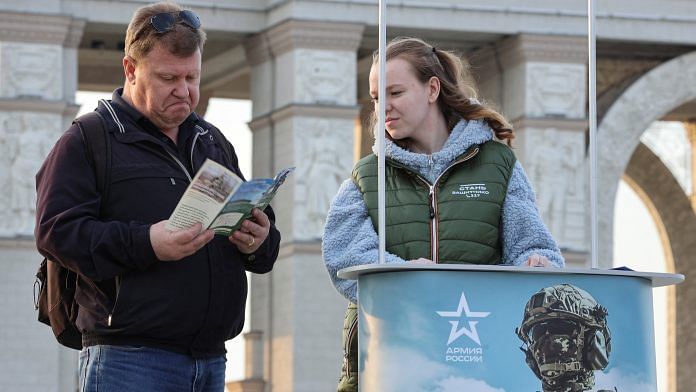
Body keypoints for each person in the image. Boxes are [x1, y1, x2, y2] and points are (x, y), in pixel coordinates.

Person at [35, 3, 281, 391]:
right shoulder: (87, 140)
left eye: (193, 77)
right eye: (169, 78)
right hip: (127, 362)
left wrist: (261, 241)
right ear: (131, 69)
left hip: (212, 360)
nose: (185, 92)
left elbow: (260, 250)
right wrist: (148, 242)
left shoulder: (212, 142)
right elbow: (56, 233)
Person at [322, 37, 565, 392]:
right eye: (376, 98)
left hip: (481, 364)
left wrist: (536, 264)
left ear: (432, 88)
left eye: (395, 92)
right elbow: (344, 257)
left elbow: (535, 246)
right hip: (391, 364)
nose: (383, 107)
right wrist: (408, 277)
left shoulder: (498, 164)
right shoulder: (366, 176)